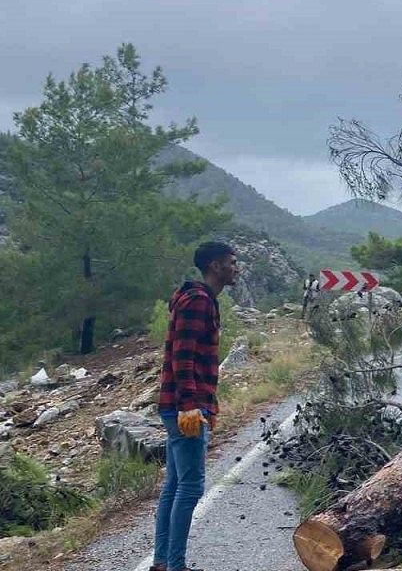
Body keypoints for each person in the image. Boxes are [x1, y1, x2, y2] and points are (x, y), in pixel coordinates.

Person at [151, 241, 238, 571]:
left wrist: (208, 406)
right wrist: (191, 406)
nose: (236, 267)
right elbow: (182, 358)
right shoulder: (198, 301)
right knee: (189, 488)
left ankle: (163, 562)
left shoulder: (202, 300)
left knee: (174, 485)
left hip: (182, 403)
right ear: (215, 266)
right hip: (183, 406)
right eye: (232, 262)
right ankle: (175, 565)